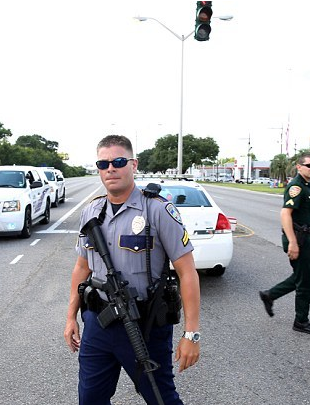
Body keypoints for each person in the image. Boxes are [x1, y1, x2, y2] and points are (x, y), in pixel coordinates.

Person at [64, 135, 201, 404]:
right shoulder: (91, 211)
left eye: (118, 161)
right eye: (103, 164)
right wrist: (71, 317)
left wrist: (191, 334)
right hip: (98, 322)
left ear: (133, 164)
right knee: (90, 398)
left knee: (161, 398)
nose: (110, 169)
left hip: (144, 326)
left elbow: (187, 272)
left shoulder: (158, 210)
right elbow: (81, 267)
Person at [259, 153, 310, 336]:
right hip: (298, 240)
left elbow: (308, 217)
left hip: (304, 238)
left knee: (301, 277)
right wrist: (293, 243)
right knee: (306, 283)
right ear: (299, 166)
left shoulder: (306, 185)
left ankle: (269, 295)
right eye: (309, 165)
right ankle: (301, 321)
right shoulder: (296, 186)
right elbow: (285, 214)